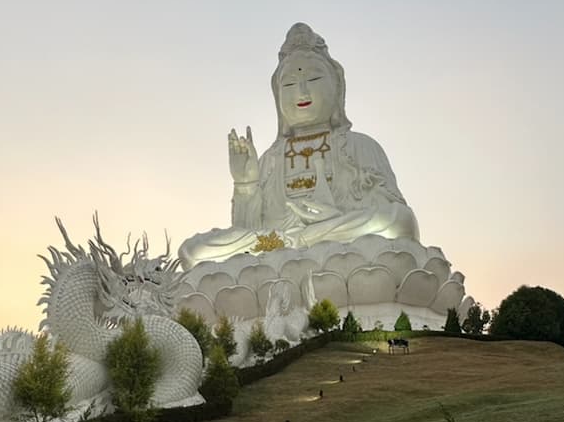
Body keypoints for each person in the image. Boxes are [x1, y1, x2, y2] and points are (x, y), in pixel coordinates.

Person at [178, 23, 421, 269]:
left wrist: (333, 220)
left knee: (399, 220)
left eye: (313, 79)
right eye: (290, 85)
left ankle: (297, 241)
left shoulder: (361, 146)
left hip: (340, 248)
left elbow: (395, 220)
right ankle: (293, 243)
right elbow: (247, 231)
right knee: (191, 251)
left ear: (336, 88)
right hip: (275, 248)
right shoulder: (270, 159)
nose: (301, 92)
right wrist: (245, 184)